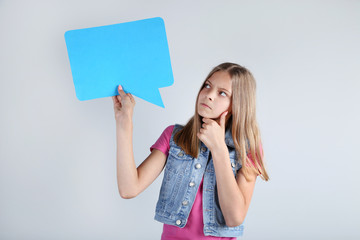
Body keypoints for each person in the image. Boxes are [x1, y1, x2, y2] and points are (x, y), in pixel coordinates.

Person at [112, 62, 269, 239]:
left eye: (222, 93)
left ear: (237, 105)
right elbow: (128, 189)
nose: (209, 95)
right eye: (207, 86)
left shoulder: (248, 149)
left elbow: (234, 218)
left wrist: (219, 150)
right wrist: (124, 123)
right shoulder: (174, 136)